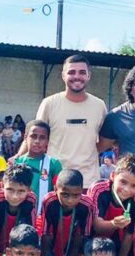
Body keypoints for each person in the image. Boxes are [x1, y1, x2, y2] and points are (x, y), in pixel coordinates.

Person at [36, 55, 108, 187]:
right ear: (63, 75)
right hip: (56, 180)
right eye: (71, 72)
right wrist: (18, 157)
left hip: (88, 182)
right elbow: (35, 138)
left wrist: (88, 153)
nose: (77, 76)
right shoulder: (49, 104)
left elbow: (105, 140)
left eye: (82, 72)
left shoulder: (99, 105)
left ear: (89, 76)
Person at [37, 169, 95, 256]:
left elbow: (82, 233)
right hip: (49, 248)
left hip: (71, 249)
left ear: (82, 190)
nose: (70, 200)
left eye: (76, 195)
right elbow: (45, 232)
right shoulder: (49, 201)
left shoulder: (86, 204)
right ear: (56, 188)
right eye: (65, 195)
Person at [0, 163, 37, 256]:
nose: (14, 196)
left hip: (19, 250)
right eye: (10, 190)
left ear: (29, 190)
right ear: (2, 186)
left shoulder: (31, 200)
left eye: (21, 191)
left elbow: (31, 230)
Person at [13, 120, 62, 204]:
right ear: (25, 137)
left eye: (42, 137)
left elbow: (58, 192)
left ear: (47, 141)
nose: (37, 141)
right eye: (33, 136)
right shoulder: (17, 162)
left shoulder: (54, 164)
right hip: (21, 213)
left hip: (44, 214)